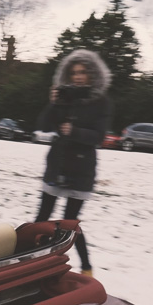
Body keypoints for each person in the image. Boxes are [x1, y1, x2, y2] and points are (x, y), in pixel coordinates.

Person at [34, 49, 112, 277]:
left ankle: (86, 268)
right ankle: (32, 261)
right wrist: (53, 104)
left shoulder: (102, 101)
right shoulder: (64, 95)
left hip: (81, 168)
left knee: (69, 224)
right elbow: (44, 127)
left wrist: (75, 131)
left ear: (92, 74)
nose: (78, 76)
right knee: (41, 219)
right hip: (57, 163)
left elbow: (99, 137)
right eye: (74, 72)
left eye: (83, 72)